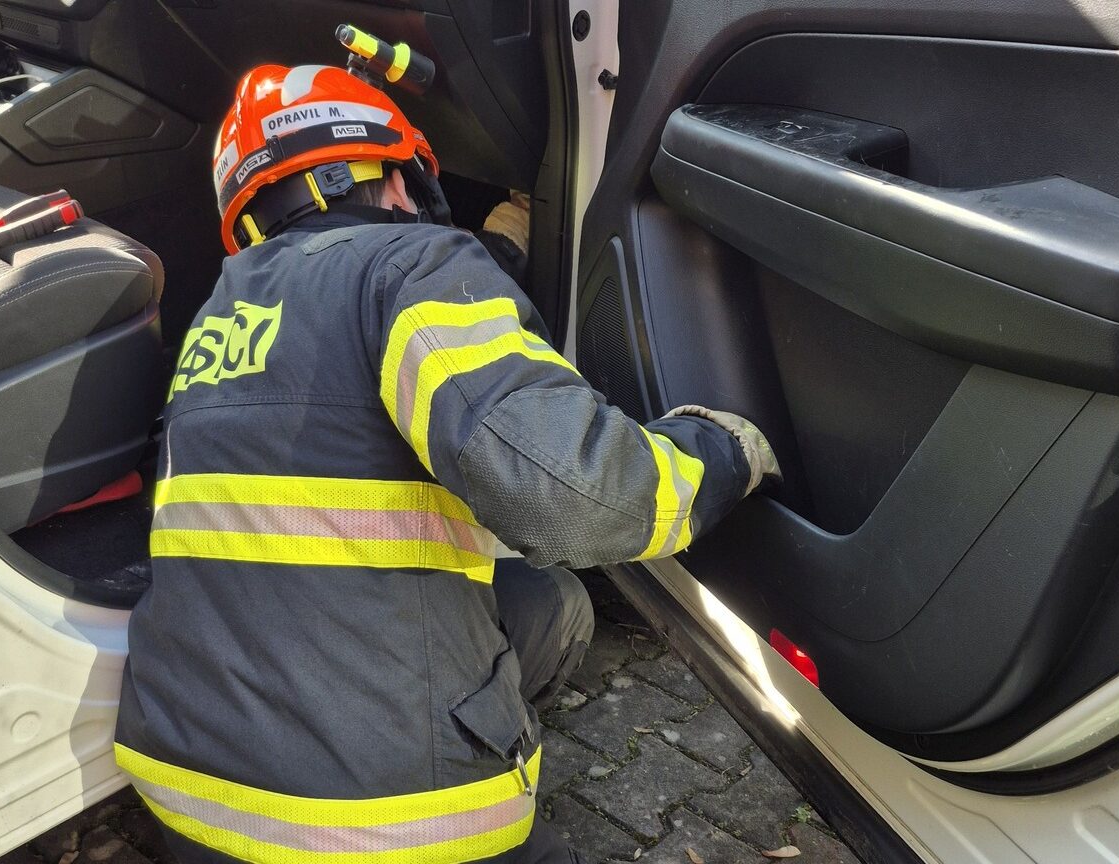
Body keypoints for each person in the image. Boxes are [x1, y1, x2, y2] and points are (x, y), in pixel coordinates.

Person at [114, 62, 779, 864]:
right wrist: (723, 448)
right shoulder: (414, 266)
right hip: (374, 822)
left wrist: (499, 244)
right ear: (398, 179)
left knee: (551, 603)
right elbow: (577, 497)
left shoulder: (216, 318)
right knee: (559, 603)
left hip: (186, 792)